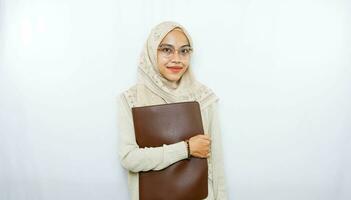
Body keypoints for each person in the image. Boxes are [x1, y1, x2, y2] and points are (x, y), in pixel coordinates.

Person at [117, 21, 227, 200]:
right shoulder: (131, 99)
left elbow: (216, 162)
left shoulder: (202, 97)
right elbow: (130, 159)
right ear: (152, 51)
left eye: (184, 51)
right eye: (167, 50)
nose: (177, 58)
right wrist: (187, 148)